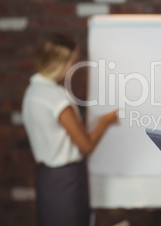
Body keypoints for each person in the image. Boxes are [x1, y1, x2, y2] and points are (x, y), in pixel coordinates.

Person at [22, 33, 118, 226]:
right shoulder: (56, 97)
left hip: (47, 179)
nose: (72, 69)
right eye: (71, 63)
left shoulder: (32, 91)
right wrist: (106, 122)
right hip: (67, 180)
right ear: (57, 64)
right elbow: (86, 146)